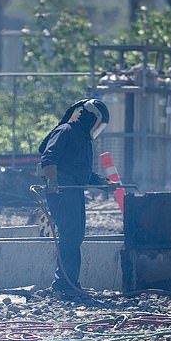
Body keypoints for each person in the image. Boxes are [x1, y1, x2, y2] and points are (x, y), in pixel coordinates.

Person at [38, 99, 111, 297]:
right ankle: (63, 285)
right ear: (92, 118)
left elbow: (82, 173)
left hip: (74, 190)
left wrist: (103, 183)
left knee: (75, 235)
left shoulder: (83, 139)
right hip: (63, 191)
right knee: (69, 236)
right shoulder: (66, 131)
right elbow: (48, 158)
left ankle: (70, 283)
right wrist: (53, 183)